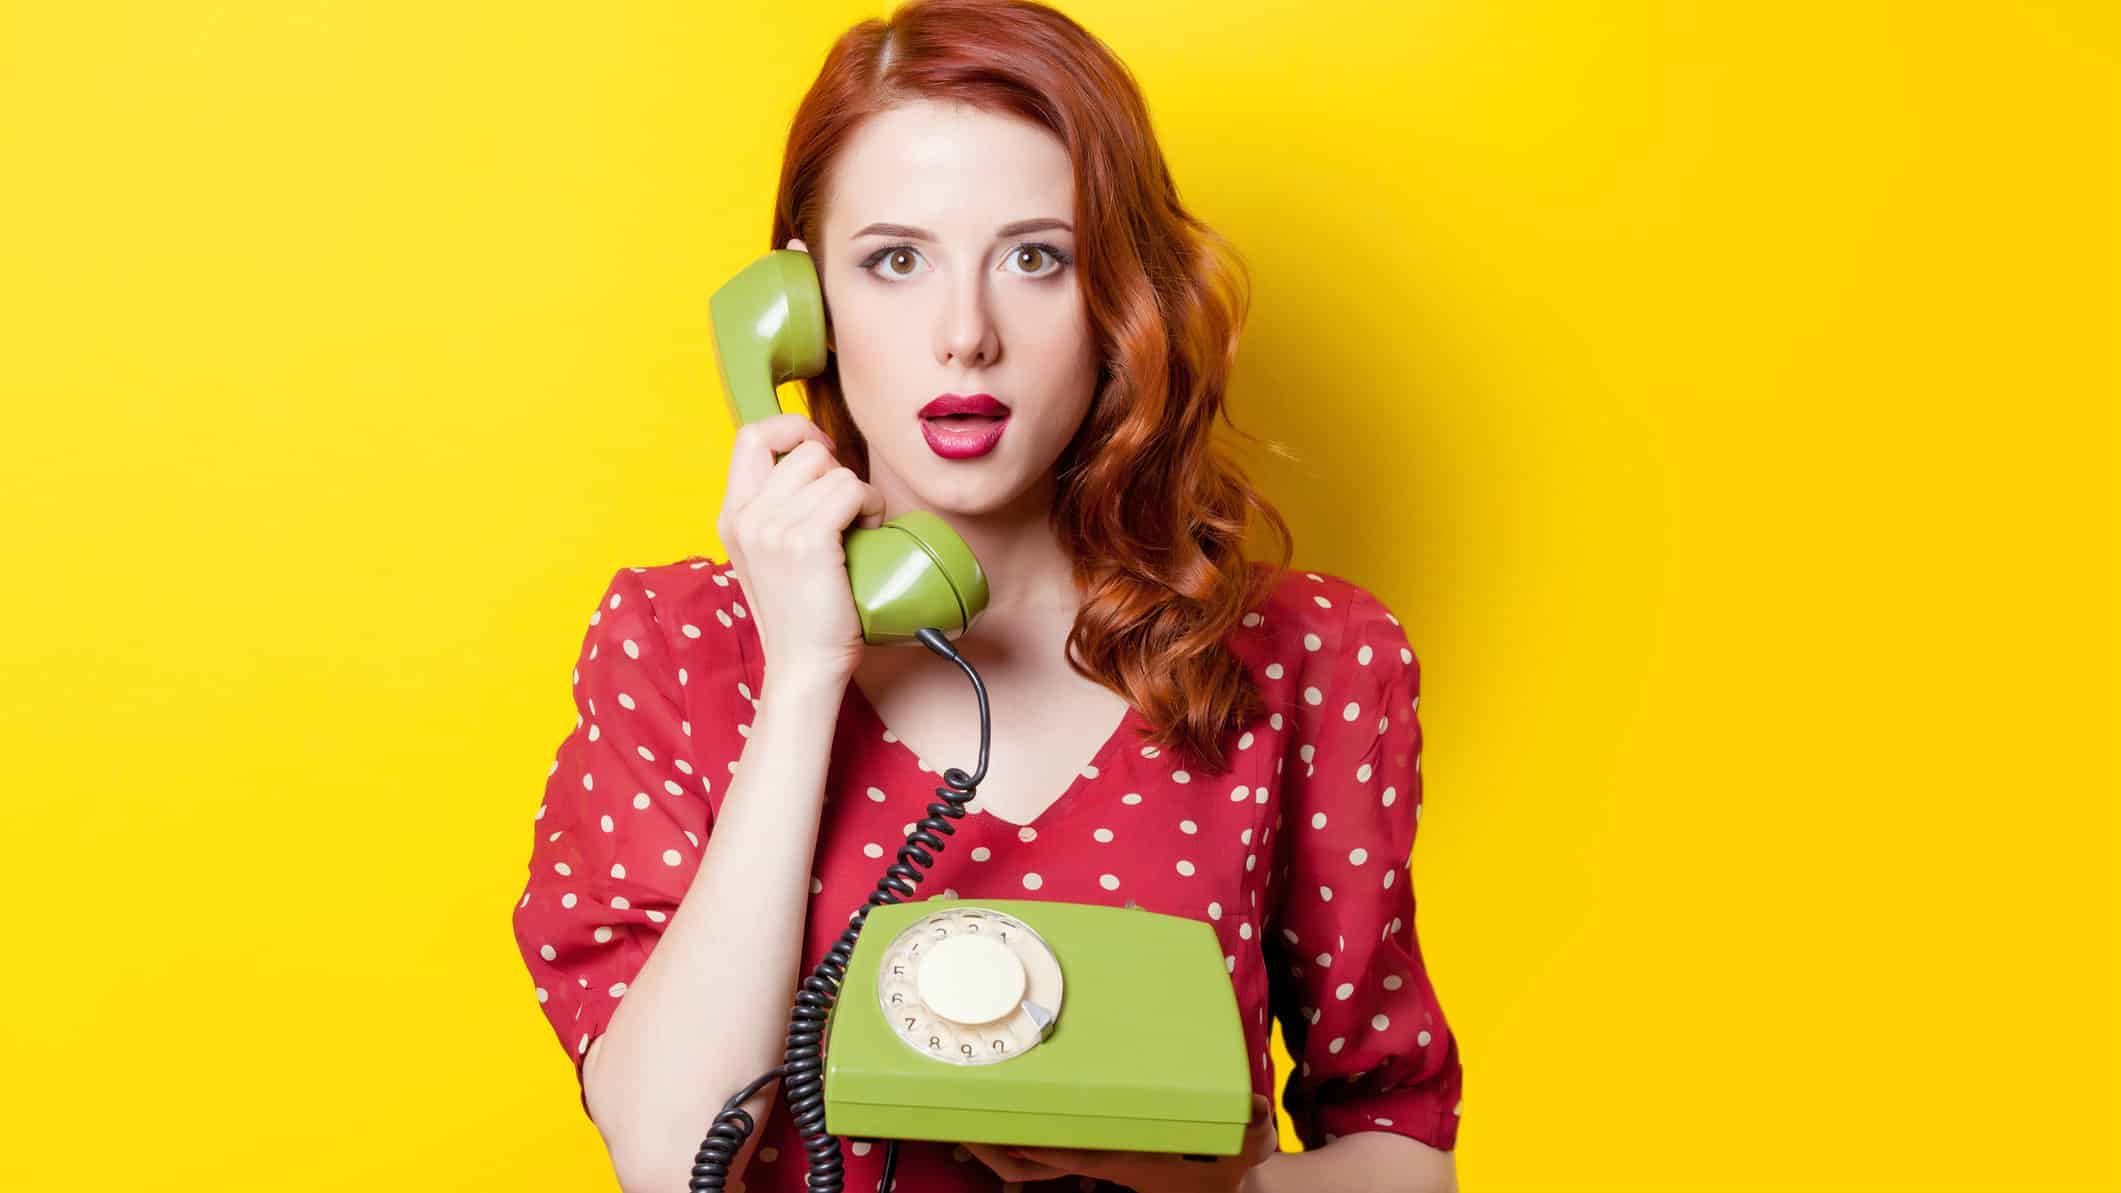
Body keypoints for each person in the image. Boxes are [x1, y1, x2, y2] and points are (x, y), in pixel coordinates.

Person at [510, 2, 1461, 1189]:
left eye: (1036, 256)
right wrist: (806, 671)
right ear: (799, 312)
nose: (966, 335)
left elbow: (1399, 1143)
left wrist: (1196, 1178)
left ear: (1122, 295)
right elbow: (668, 1158)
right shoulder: (680, 646)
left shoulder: (1307, 655)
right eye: (895, 260)